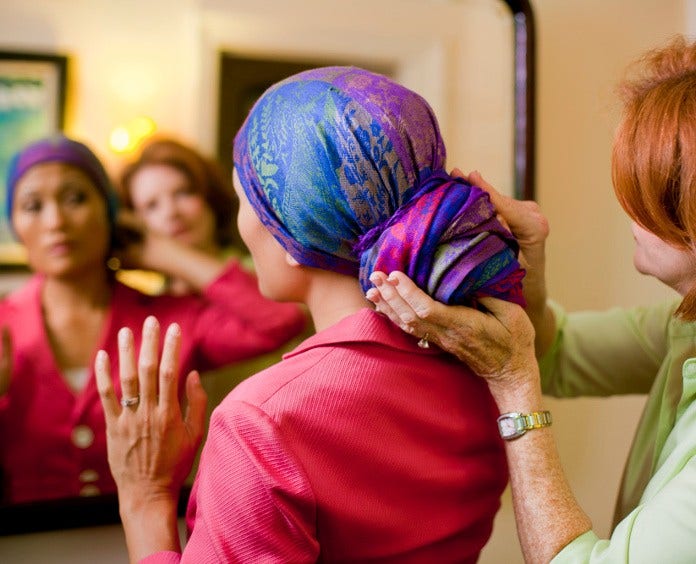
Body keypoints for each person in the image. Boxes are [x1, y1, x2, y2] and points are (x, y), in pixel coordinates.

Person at [96, 66, 528, 562]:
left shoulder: (262, 423)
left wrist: (146, 498)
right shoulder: (487, 365)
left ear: (292, 235)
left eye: (246, 204)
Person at [367, 35, 696, 562]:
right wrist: (528, 264)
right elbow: (556, 351)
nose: (626, 210)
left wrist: (512, 381)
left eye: (650, 190)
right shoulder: (684, 325)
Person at [0, 134, 307, 505]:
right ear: (15, 225)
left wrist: (166, 252)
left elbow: (282, 319)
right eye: (33, 206)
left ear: (111, 211)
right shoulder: (5, 325)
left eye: (75, 198)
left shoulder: (167, 319)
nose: (56, 221)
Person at [115, 137, 246, 296]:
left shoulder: (262, 275)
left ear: (210, 196)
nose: (171, 212)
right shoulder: (154, 308)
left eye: (183, 193)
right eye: (152, 206)